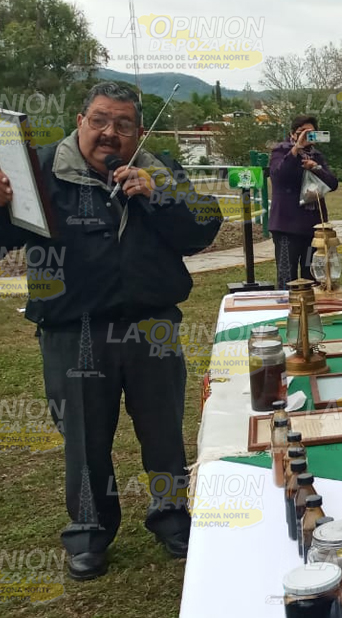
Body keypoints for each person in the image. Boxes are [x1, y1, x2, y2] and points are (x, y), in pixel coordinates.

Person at [0, 82, 222, 579]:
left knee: (164, 434)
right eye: (99, 120)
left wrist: (160, 196)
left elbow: (203, 227)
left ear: (138, 132)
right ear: (80, 121)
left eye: (123, 124)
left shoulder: (158, 167)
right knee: (83, 440)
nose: (109, 132)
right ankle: (89, 532)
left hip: (151, 325)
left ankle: (171, 517)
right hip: (72, 329)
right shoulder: (39, 171)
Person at [268, 115, 340, 289]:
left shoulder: (317, 155)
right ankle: (289, 305)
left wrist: (316, 167)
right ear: (292, 133)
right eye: (302, 132)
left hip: (312, 226)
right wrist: (296, 149)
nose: (306, 136)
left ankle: (312, 305)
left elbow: (332, 184)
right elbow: (279, 176)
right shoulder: (280, 151)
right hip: (286, 226)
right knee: (287, 277)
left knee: (314, 275)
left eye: (310, 133)